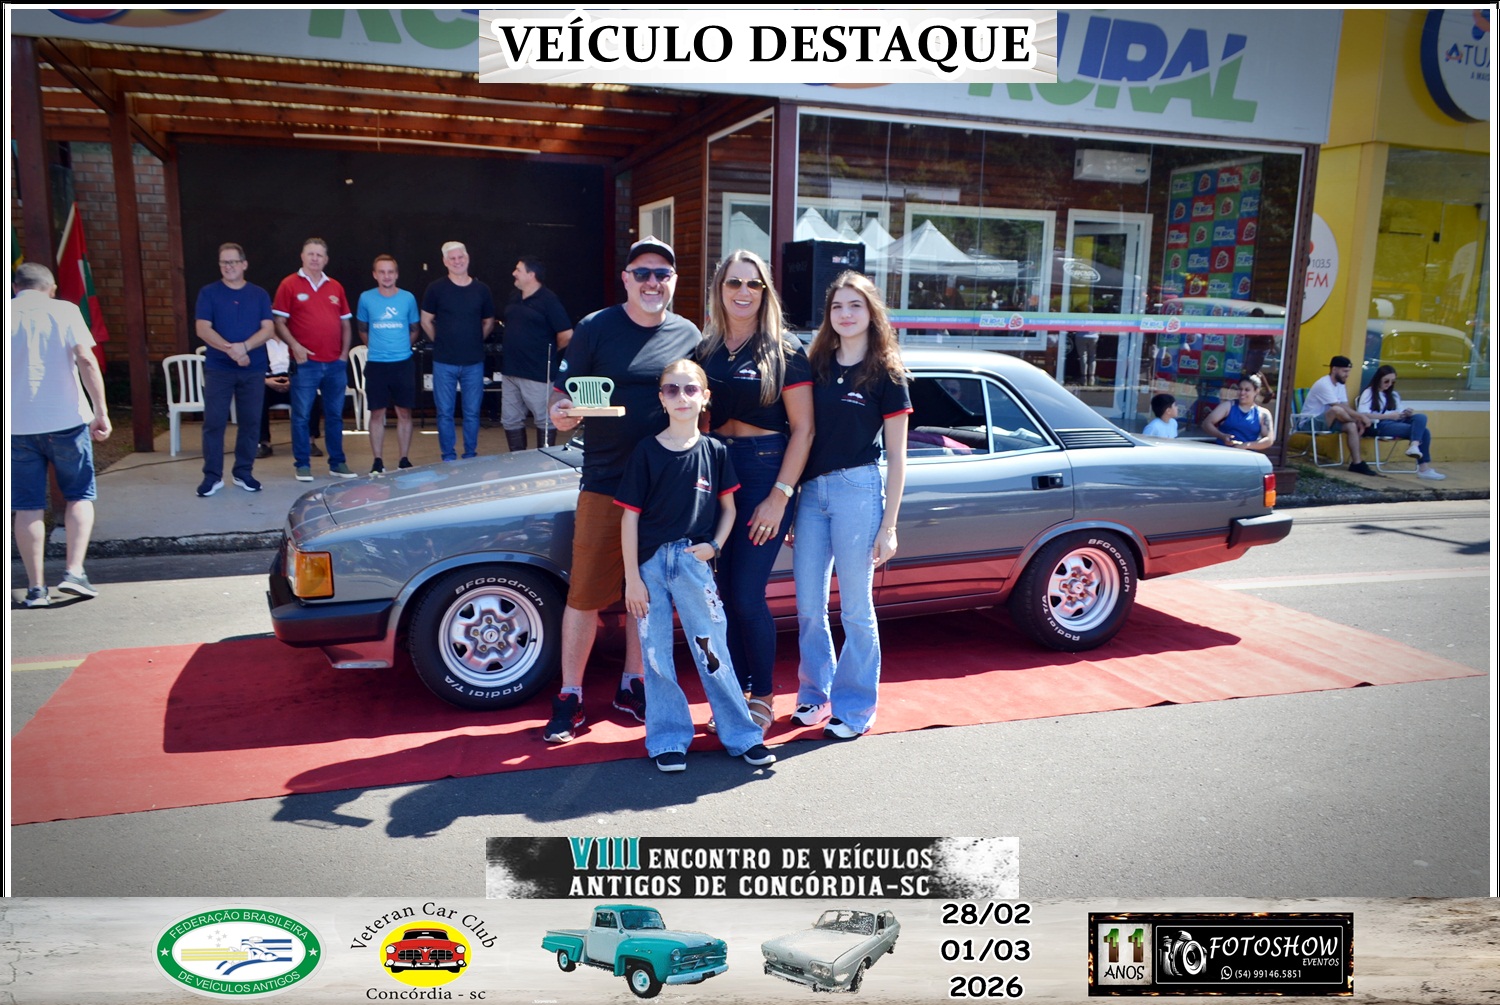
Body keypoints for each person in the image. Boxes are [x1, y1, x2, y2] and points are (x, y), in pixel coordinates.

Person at [543, 237, 702, 743]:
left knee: (648, 594)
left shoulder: (689, 334)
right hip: (606, 481)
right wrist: (561, 414)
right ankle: (570, 694)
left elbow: (700, 403)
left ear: (673, 281)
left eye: (662, 274)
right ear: (627, 279)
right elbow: (562, 399)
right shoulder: (595, 327)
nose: (653, 282)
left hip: (664, 486)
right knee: (585, 593)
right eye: (643, 273)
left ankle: (633, 684)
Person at [616, 359, 777, 772]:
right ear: (661, 398)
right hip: (650, 566)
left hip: (693, 562)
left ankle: (741, 735)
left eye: (690, 389)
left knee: (713, 651)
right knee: (656, 656)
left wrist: (715, 546)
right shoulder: (647, 451)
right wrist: (632, 578)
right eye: (672, 389)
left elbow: (729, 509)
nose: (681, 397)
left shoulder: (715, 451)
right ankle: (668, 737)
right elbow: (629, 518)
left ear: (705, 397)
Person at [790, 271, 910, 740]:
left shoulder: (887, 373)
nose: (845, 314)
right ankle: (814, 695)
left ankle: (856, 707)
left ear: (871, 313)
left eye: (855, 305)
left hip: (858, 490)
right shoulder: (815, 363)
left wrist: (890, 526)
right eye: (837, 306)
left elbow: (898, 456)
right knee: (808, 605)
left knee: (856, 609)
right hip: (810, 495)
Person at [697, 249, 813, 734]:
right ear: (719, 290)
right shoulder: (705, 349)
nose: (743, 292)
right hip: (717, 470)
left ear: (765, 292)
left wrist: (781, 496)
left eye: (753, 284)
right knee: (721, 596)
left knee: (746, 595)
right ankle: (735, 692)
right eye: (734, 283)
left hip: (766, 471)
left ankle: (763, 693)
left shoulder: (785, 349)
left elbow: (804, 429)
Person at [10, 262, 112, 607]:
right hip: (67, 420)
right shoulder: (64, 311)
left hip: (17, 425)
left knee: (27, 507)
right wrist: (101, 411)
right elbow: (86, 359)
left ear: (16, 288)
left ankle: (35, 588)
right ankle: (74, 572)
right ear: (51, 288)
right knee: (79, 495)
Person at [272, 237, 356, 481]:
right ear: (302, 256)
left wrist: (343, 355)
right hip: (305, 364)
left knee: (335, 416)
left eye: (319, 255)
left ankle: (337, 463)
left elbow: (345, 324)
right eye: (311, 254)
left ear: (326, 259)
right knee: (301, 415)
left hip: (335, 364)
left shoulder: (335, 287)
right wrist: (295, 346)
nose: (315, 258)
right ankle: (302, 464)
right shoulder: (289, 284)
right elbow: (279, 322)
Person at [194, 242, 273, 495]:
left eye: (233, 262)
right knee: (214, 422)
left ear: (244, 264)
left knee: (250, 422)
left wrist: (245, 347)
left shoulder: (259, 294)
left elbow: (268, 329)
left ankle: (243, 473)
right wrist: (232, 351)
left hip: (253, 368)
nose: (228, 267)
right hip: (219, 368)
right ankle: (212, 476)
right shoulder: (209, 293)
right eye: (224, 262)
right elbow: (202, 329)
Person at [421, 241, 495, 462]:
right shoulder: (435, 288)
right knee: (444, 412)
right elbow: (426, 320)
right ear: (445, 261)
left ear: (467, 258)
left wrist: (474, 341)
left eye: (460, 257)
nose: (457, 261)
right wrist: (441, 341)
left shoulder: (482, 290)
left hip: (474, 362)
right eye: (452, 258)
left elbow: (488, 322)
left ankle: (470, 455)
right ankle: (448, 457)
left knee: (472, 413)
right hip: (444, 361)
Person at [356, 254, 420, 473]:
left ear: (397, 274)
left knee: (404, 412)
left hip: (403, 363)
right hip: (377, 364)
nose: (386, 276)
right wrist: (377, 348)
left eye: (390, 272)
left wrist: (400, 347)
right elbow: (362, 329)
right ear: (375, 275)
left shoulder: (408, 298)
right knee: (377, 413)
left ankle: (404, 460)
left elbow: (414, 329)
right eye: (382, 272)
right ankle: (377, 461)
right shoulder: (366, 298)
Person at [502, 257, 573, 451]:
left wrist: (545, 352)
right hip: (510, 370)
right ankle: (517, 462)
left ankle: (544, 461)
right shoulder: (514, 296)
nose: (514, 273)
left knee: (544, 419)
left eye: (518, 270)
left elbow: (567, 334)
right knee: (510, 420)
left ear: (531, 275)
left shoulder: (548, 300)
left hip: (537, 372)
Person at [1356, 364, 1446, 480]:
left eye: (1392, 382)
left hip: (1397, 421)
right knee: (1424, 432)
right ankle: (1423, 468)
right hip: (1380, 424)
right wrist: (1387, 416)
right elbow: (1363, 414)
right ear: (1378, 379)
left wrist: (1405, 413)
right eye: (1386, 381)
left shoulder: (1393, 395)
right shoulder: (1369, 393)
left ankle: (1414, 446)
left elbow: (1399, 411)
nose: (1389, 384)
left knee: (1421, 417)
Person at [1301, 354, 1377, 475]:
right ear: (1334, 369)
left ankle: (1357, 463)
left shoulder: (1340, 385)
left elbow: (1346, 406)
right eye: (1345, 371)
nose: (1347, 374)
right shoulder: (1323, 384)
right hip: (1309, 423)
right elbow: (1338, 407)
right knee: (1336, 409)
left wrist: (1355, 419)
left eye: (1348, 371)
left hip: (1328, 422)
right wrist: (1360, 418)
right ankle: (1360, 425)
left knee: (1351, 426)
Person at [259, 338, 320, 456]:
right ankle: (264, 443)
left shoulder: (294, 341)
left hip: (294, 378)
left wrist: (293, 379)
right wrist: (265, 380)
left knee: (309, 394)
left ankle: (309, 441)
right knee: (256, 396)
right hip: (268, 380)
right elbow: (251, 369)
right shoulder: (259, 343)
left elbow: (307, 365)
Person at [1202, 374, 1274, 451]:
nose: (1242, 392)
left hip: (1247, 455)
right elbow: (1206, 424)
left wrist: (1246, 445)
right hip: (1224, 452)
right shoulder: (1228, 406)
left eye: (1247, 390)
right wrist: (1222, 436)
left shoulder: (1262, 413)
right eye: (1240, 389)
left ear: (1256, 391)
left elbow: (1269, 440)